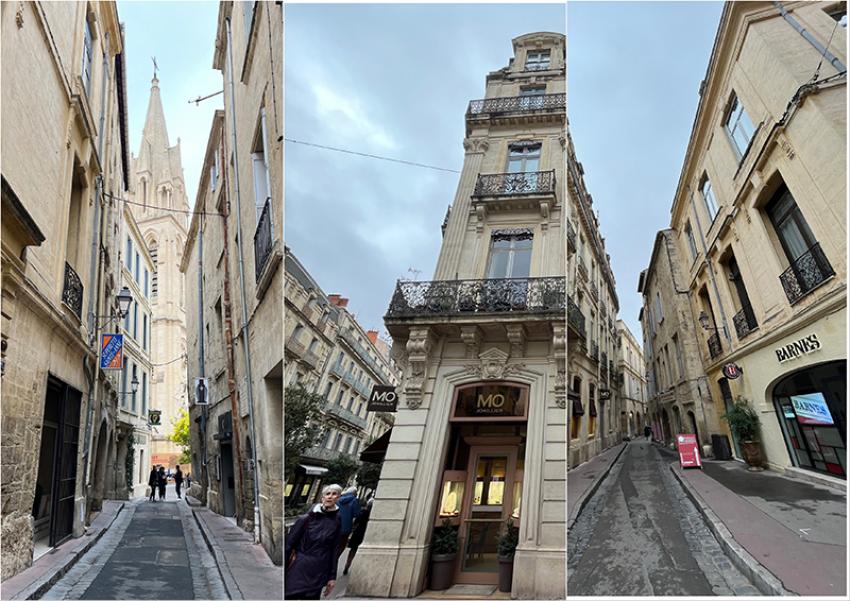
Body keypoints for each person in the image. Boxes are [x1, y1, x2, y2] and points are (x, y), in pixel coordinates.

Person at [285, 484, 342, 600]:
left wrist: (332, 577)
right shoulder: (306, 519)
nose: (330, 497)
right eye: (327, 494)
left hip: (319, 570)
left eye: (334, 494)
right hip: (299, 567)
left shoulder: (337, 521)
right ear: (322, 498)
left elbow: (334, 549)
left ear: (338, 498)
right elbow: (288, 546)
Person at [343, 496, 373, 576]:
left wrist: (352, 530)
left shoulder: (362, 512)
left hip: (358, 532)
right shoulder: (372, 514)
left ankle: (347, 564)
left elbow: (356, 521)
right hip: (367, 532)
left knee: (353, 550)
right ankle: (357, 567)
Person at [335, 486, 361, 558]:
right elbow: (357, 514)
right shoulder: (354, 500)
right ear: (355, 493)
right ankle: (335, 559)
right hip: (346, 527)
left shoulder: (338, 500)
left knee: (333, 545)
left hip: (335, 526)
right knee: (342, 546)